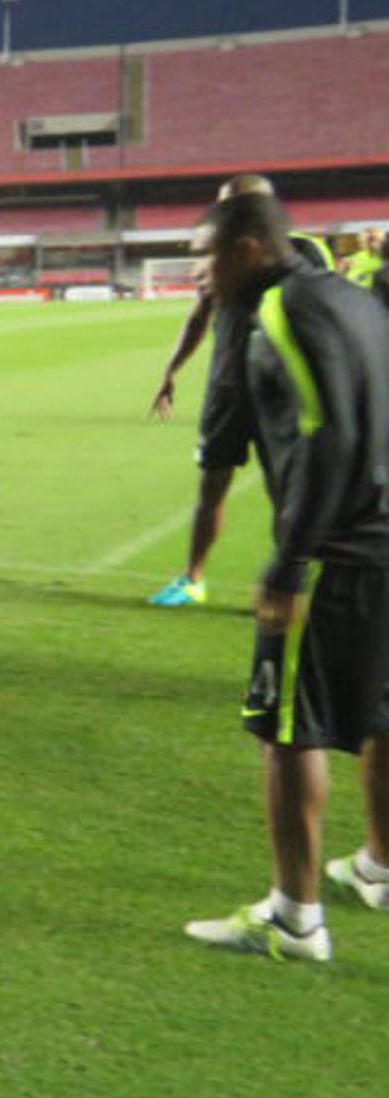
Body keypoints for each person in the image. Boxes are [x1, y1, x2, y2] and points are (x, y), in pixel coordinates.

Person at [181, 189, 389, 962]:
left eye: (203, 256)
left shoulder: (281, 311)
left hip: (336, 553)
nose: (197, 272)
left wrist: (290, 560)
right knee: (380, 714)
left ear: (245, 250)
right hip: (383, 540)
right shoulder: (356, 297)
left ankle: (294, 918)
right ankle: (380, 868)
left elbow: (328, 434)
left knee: (288, 728)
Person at [147, 176, 336, 607]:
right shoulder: (220, 256)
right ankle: (193, 578)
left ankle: (290, 581)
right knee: (211, 485)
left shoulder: (303, 252)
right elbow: (200, 314)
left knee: (284, 490)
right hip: (228, 386)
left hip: (280, 392)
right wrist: (172, 369)